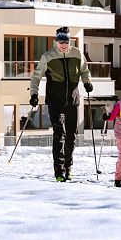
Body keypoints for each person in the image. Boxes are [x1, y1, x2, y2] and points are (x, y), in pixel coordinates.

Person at [29, 26, 93, 181]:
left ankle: (68, 168)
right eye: (61, 41)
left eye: (66, 41)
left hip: (72, 100)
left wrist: (87, 82)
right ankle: (59, 172)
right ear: (56, 41)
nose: (64, 44)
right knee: (60, 135)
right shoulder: (48, 56)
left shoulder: (77, 53)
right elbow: (36, 77)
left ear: (70, 41)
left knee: (71, 136)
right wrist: (34, 94)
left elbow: (84, 70)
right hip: (55, 101)